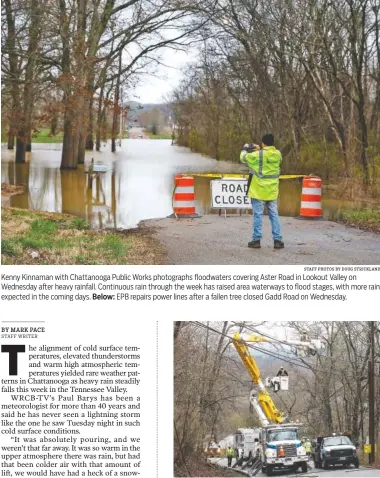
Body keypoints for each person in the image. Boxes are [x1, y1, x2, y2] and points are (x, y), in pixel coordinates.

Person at [240, 134, 284, 249]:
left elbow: (243, 158)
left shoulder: (257, 155)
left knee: (258, 215)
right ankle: (278, 240)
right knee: (274, 215)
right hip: (272, 191)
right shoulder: (278, 154)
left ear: (263, 143)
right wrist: (261, 150)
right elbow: (268, 158)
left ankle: (256, 240)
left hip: (259, 190)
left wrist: (245, 148)